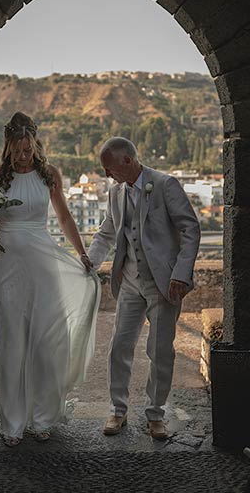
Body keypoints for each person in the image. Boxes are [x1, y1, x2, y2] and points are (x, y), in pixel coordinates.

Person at [0, 112, 100, 447]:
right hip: (6, 265)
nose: (24, 155)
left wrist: (81, 252)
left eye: (29, 148)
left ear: (35, 144)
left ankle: (44, 417)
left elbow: (63, 216)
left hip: (43, 262)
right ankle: (13, 424)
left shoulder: (49, 175)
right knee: (12, 342)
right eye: (18, 150)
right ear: (7, 147)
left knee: (46, 342)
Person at [87, 137, 200, 440]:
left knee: (160, 351)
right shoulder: (115, 193)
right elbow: (106, 233)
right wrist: (88, 263)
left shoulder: (165, 184)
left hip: (164, 285)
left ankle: (156, 413)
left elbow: (191, 228)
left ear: (127, 161)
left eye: (110, 169)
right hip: (130, 283)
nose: (108, 175)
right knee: (118, 347)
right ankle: (117, 410)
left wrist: (181, 274)